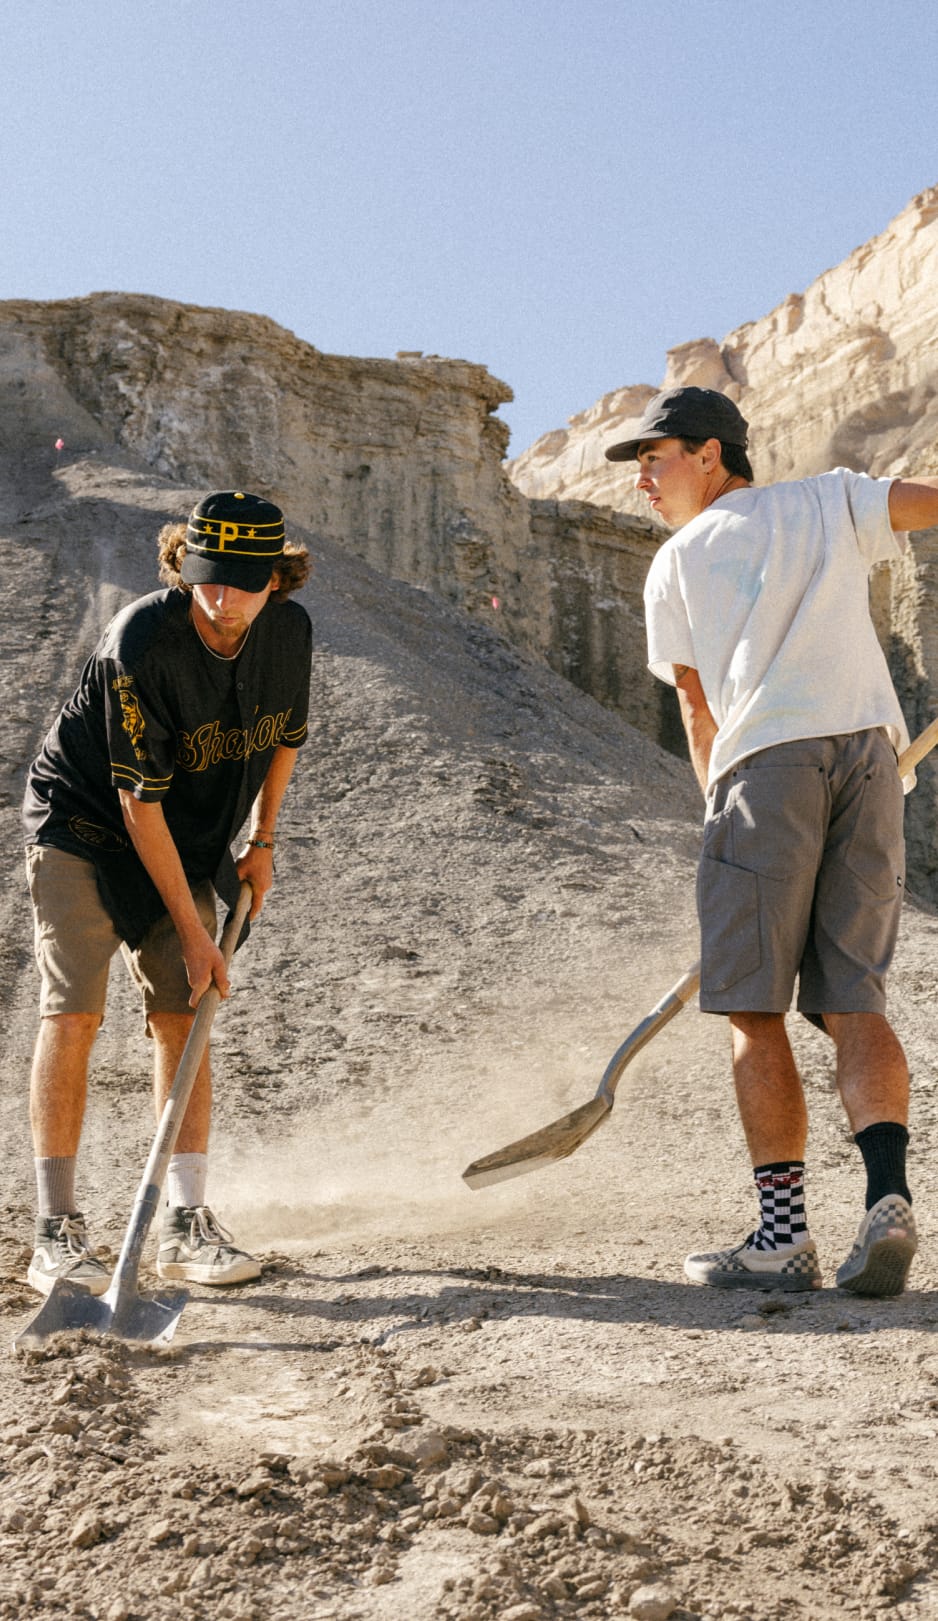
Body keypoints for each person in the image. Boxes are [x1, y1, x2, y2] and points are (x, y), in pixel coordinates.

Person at [604, 386, 938, 1297]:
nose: (642, 478)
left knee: (755, 1009)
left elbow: (695, 706)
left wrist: (721, 811)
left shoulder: (676, 561)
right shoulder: (828, 499)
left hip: (763, 764)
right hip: (871, 757)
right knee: (853, 999)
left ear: (710, 453)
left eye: (655, 458)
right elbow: (928, 503)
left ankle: (782, 1239)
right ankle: (888, 1198)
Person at [22, 490, 312, 1297]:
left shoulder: (289, 632)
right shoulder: (140, 642)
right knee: (74, 1011)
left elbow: (286, 737)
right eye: (207, 576)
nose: (221, 598)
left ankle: (184, 1223)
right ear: (185, 565)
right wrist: (193, 932)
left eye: (243, 582)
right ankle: (55, 1230)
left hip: (185, 833)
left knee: (185, 1014)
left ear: (277, 579)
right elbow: (135, 802)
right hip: (84, 825)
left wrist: (262, 840)